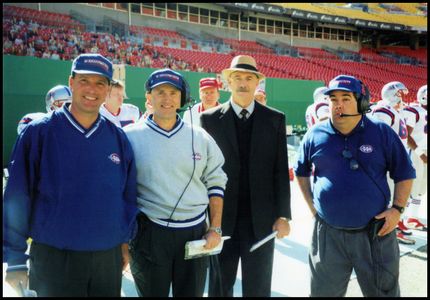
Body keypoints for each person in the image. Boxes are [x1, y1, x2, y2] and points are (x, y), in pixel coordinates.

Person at [3, 53, 138, 297]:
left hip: (107, 259)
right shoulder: (38, 133)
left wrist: (124, 240)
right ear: (71, 82)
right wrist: (15, 258)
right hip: (54, 258)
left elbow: (127, 195)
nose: (92, 89)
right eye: (84, 80)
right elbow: (17, 196)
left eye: (100, 83)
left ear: (108, 89)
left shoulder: (118, 138)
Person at [294, 74, 415, 297]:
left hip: (375, 233)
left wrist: (397, 209)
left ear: (362, 102)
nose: (338, 104)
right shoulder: (315, 134)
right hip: (329, 235)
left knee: (383, 293)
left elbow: (405, 173)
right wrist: (313, 207)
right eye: (333, 99)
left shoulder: (381, 132)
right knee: (323, 293)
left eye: (346, 98)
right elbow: (300, 172)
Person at [124, 68, 228, 297]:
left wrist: (215, 227)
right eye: (160, 92)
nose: (167, 98)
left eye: (173, 92)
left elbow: (216, 180)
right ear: (148, 98)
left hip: (195, 233)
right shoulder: (129, 136)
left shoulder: (200, 137)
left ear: (182, 98)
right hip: (149, 232)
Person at [200, 55, 291, 297]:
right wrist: (206, 219)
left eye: (249, 78)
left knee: (259, 287)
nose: (243, 83)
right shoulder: (208, 120)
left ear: (257, 83)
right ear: (228, 82)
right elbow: (203, 173)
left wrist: (284, 215)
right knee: (220, 286)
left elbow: (280, 170)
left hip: (261, 221)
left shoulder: (275, 119)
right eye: (237, 77)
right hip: (221, 220)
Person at [371, 81, 415, 244]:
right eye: (399, 94)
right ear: (391, 94)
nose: (402, 97)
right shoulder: (382, 111)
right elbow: (378, 139)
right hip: (388, 162)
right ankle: (389, 230)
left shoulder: (393, 111)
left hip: (397, 160)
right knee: (389, 198)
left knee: (399, 195)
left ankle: (396, 224)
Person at [402, 84, 427, 230]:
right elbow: (407, 136)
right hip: (415, 153)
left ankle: (413, 217)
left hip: (424, 153)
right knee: (410, 187)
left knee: (420, 188)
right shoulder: (414, 111)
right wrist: (419, 153)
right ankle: (400, 220)